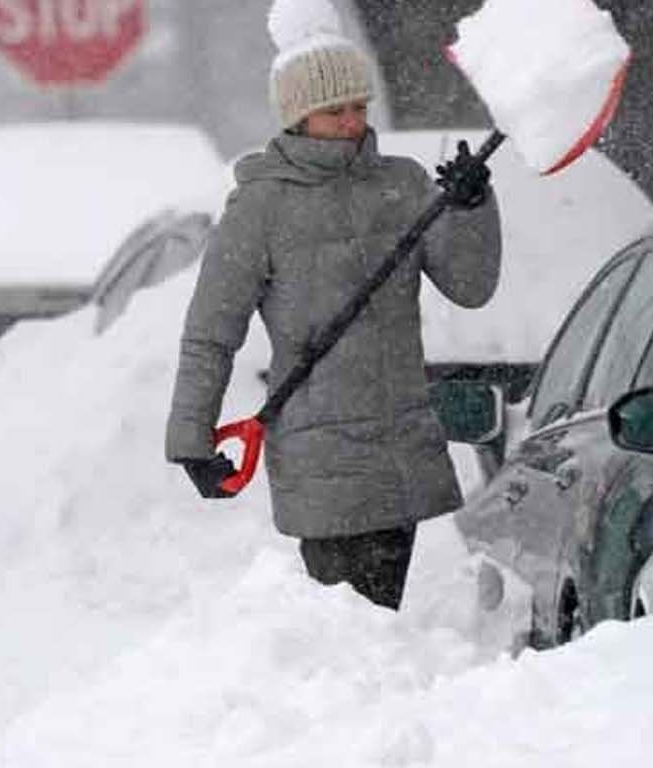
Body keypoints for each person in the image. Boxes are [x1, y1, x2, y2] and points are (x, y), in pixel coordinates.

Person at [165, 12, 501, 611]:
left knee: (376, 622)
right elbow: (210, 333)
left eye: (358, 107)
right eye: (333, 111)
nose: (351, 123)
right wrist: (191, 439)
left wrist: (471, 207)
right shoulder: (261, 208)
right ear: (297, 117)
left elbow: (471, 287)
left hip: (399, 451)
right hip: (321, 459)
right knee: (347, 625)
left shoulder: (402, 184)